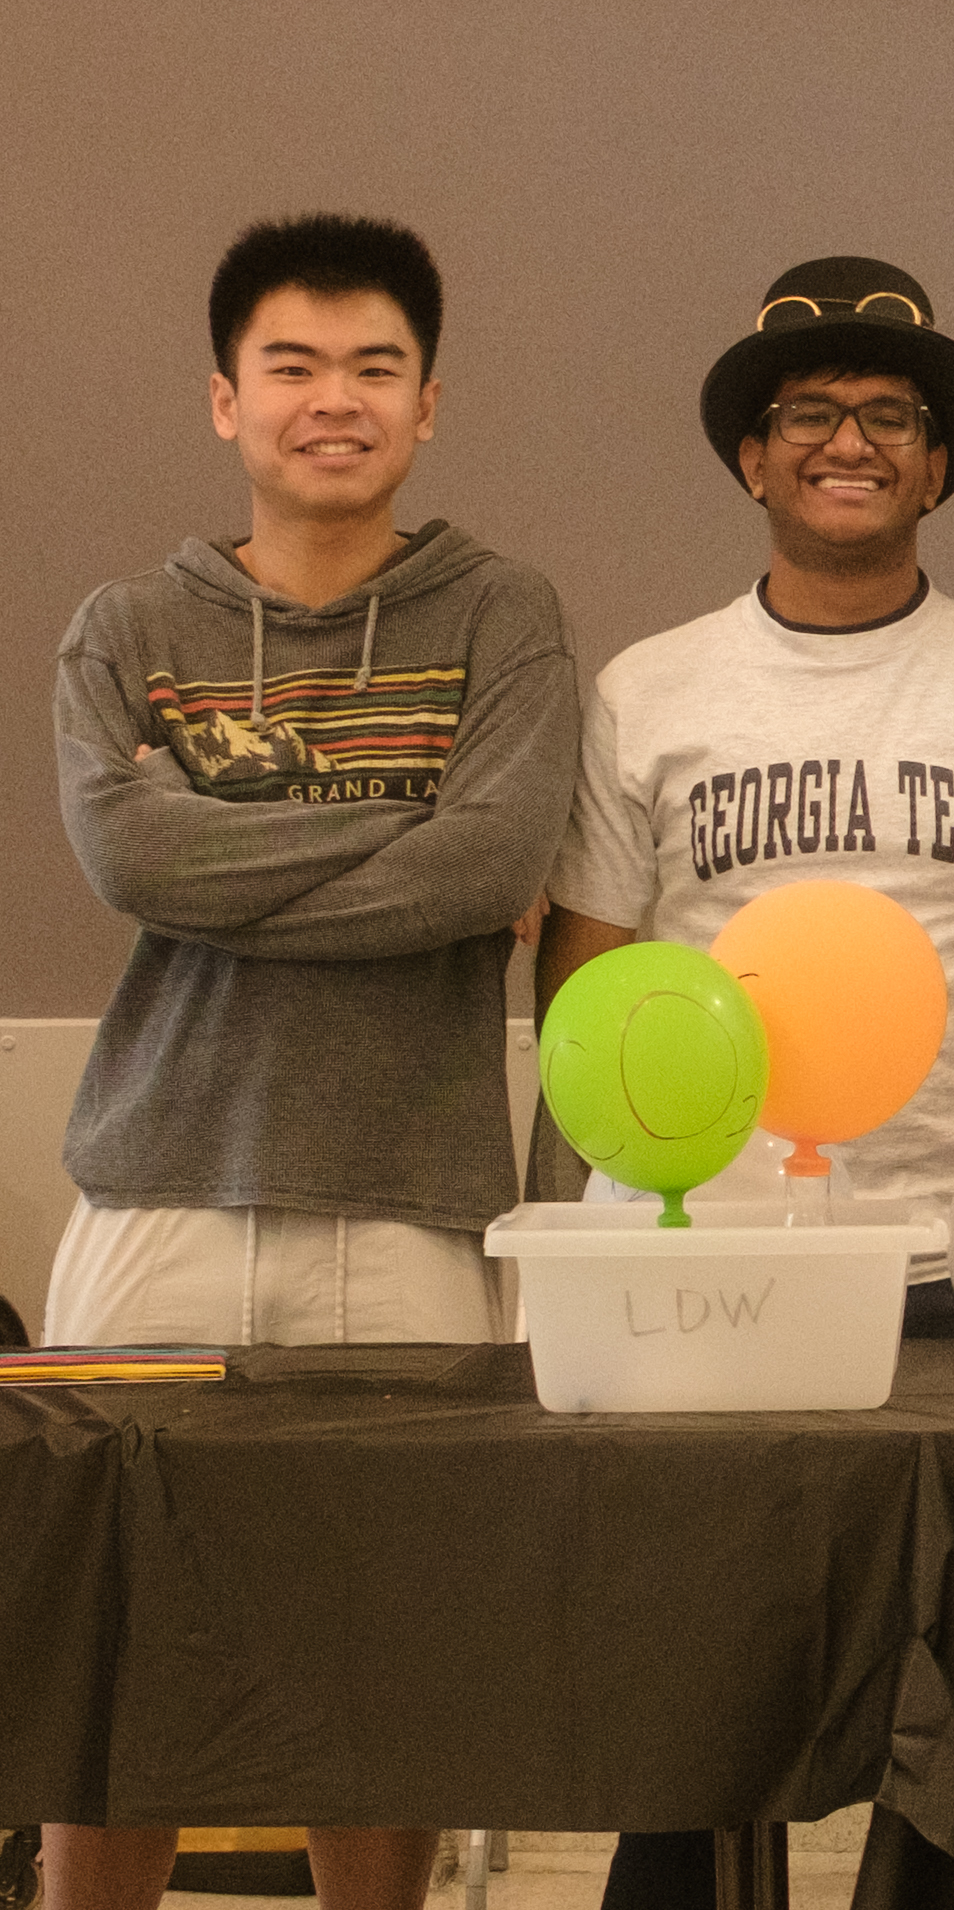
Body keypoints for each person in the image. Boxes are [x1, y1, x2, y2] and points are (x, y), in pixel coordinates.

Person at [44, 213, 575, 1910]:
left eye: (373, 369)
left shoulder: (504, 611)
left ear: (429, 404)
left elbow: (492, 867)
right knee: (107, 1643)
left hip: (409, 1201)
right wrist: (386, 840)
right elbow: (129, 865)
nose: (330, 401)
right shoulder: (125, 623)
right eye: (291, 366)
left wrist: (227, 845)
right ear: (223, 400)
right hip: (157, 1187)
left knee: (378, 1655)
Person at [537, 258, 954, 1293]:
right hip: (706, 1253)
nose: (849, 443)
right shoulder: (641, 692)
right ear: (754, 460)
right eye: (809, 414)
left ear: (933, 467)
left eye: (890, 417)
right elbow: (583, 986)